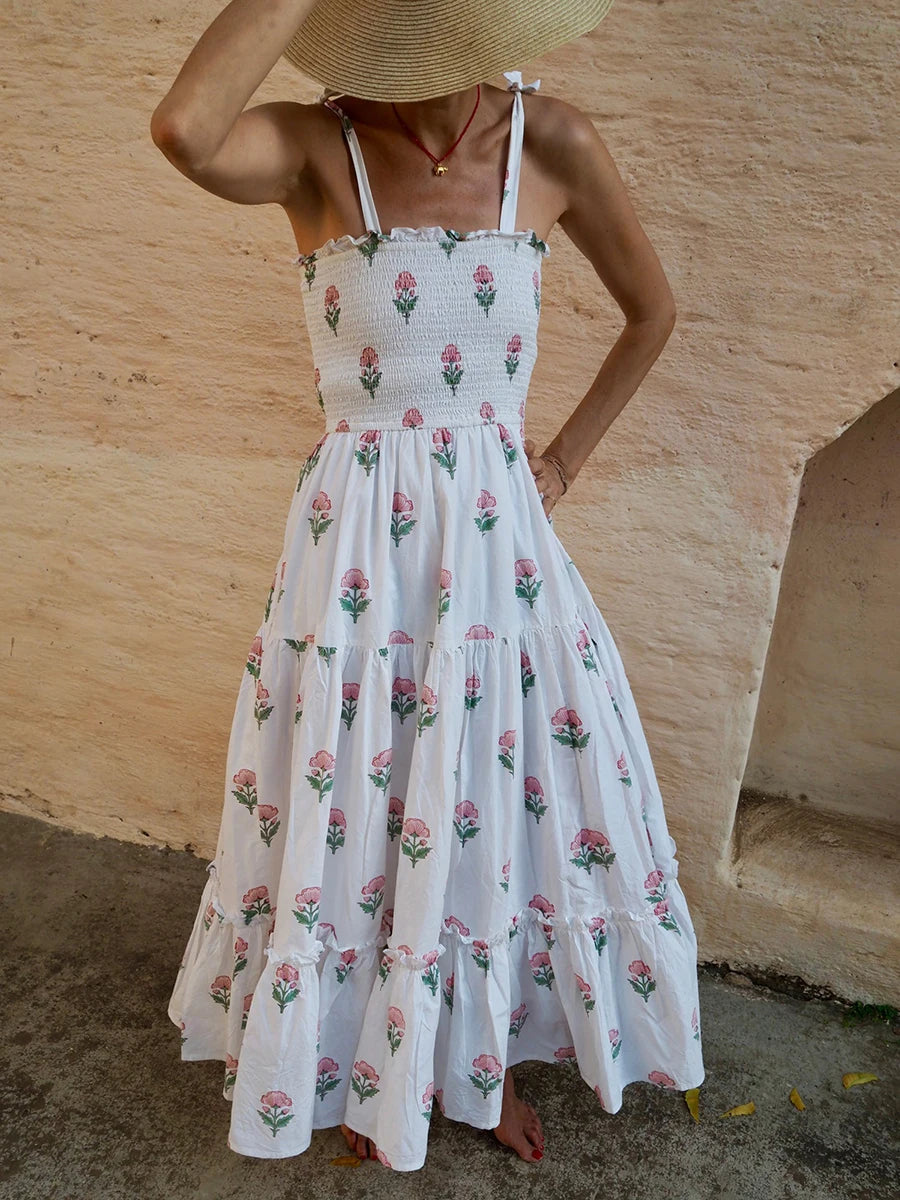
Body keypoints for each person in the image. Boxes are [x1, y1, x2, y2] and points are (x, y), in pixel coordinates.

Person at [154, 0, 705, 1173]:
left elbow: (653, 314)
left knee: (485, 799)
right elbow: (186, 131)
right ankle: (374, 1065)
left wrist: (558, 461)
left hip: (495, 553)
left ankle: (475, 1062)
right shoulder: (315, 146)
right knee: (360, 801)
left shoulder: (553, 144)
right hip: (351, 552)